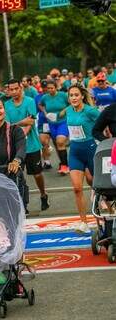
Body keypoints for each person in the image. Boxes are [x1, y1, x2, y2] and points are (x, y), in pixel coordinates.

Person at [4, 79, 49, 212]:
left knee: (37, 174)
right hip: (14, 147)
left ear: (20, 88)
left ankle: (43, 194)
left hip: (31, 145)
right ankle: (23, 203)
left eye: (16, 89)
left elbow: (30, 121)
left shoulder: (29, 101)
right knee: (17, 175)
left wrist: (20, 129)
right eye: (11, 89)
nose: (13, 92)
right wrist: (19, 124)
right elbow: (7, 125)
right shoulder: (6, 105)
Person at [62, 85, 100, 233]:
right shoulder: (69, 110)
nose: (73, 98)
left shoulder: (90, 111)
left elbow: (104, 123)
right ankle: (83, 223)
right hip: (75, 152)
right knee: (77, 188)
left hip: (91, 150)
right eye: (71, 95)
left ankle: (109, 213)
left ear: (82, 96)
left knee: (98, 185)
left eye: (76, 95)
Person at [39, 79, 69, 174]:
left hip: (63, 122)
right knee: (57, 144)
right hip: (52, 123)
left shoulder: (63, 95)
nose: (50, 90)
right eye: (48, 88)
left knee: (60, 142)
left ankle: (65, 166)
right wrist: (45, 113)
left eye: (52, 88)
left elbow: (71, 103)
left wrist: (64, 111)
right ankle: (64, 164)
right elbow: (40, 105)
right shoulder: (45, 97)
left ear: (56, 88)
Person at [36, 79, 52, 169]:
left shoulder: (54, 96)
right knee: (43, 142)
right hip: (43, 122)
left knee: (57, 143)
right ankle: (47, 161)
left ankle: (63, 162)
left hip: (55, 122)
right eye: (43, 87)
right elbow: (35, 110)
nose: (45, 89)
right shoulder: (38, 97)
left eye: (47, 87)